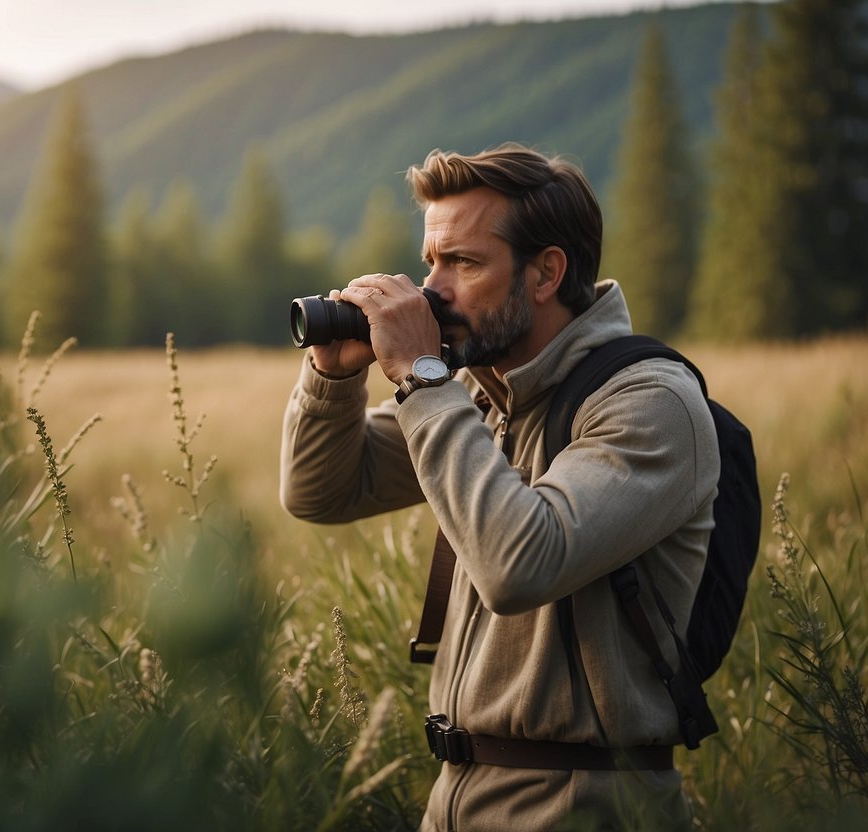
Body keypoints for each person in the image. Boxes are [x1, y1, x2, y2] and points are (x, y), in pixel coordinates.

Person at [279, 143, 719, 831]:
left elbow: (519, 563)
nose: (432, 289)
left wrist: (421, 376)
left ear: (545, 273)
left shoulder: (648, 403)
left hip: (585, 807)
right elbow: (322, 492)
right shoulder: (478, 398)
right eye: (430, 260)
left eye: (463, 262)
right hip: (457, 800)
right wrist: (333, 377)